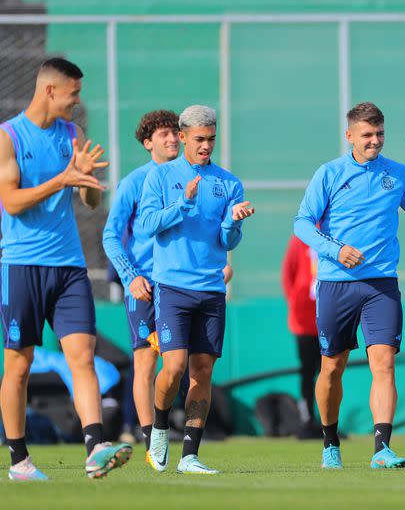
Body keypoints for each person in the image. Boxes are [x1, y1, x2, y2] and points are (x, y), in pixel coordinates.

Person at [0, 57, 132, 480]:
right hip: (20, 265)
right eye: (73, 93)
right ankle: (19, 459)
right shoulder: (8, 137)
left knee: (83, 356)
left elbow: (88, 202)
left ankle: (96, 448)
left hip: (69, 267)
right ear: (50, 90)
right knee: (18, 365)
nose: (78, 101)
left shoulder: (73, 135)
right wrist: (62, 179)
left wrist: (87, 182)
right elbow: (12, 202)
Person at [294, 102, 405, 470]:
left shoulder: (398, 175)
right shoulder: (329, 174)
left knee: (383, 363)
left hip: (381, 285)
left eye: (380, 134)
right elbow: (303, 224)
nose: (375, 141)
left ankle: (382, 448)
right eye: (367, 135)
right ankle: (330, 442)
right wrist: (336, 251)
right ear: (349, 135)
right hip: (337, 286)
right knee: (332, 367)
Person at [140, 105, 253, 475]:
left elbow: (227, 239)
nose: (206, 146)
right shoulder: (160, 177)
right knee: (172, 366)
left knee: (202, 372)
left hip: (211, 289)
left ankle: (189, 454)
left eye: (211, 139)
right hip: (172, 287)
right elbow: (148, 226)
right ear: (183, 136)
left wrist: (234, 223)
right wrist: (183, 202)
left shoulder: (228, 183)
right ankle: (159, 427)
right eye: (200, 139)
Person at [102, 110, 180, 461]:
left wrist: (219, 265)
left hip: (183, 284)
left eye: (175, 133)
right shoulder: (134, 182)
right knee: (145, 362)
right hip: (146, 286)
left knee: (185, 364)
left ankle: (187, 437)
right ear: (148, 143)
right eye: (164, 134)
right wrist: (130, 276)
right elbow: (111, 236)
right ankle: (153, 441)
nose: (172, 139)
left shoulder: (190, 177)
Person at [281, 234, 324, 439]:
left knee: (329, 370)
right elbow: (288, 274)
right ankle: (307, 420)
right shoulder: (301, 238)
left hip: (328, 315)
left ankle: (327, 421)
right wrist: (296, 303)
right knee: (308, 371)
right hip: (304, 319)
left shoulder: (334, 230)